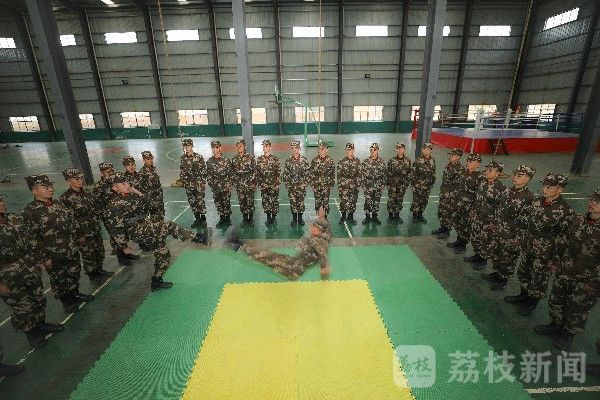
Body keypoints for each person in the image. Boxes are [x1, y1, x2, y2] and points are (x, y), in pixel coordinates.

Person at [104, 173, 210, 290]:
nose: (126, 184)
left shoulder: (133, 196)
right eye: (122, 183)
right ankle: (197, 238)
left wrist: (138, 193)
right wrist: (123, 246)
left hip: (147, 227)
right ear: (114, 188)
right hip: (136, 231)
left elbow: (153, 206)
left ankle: (156, 281)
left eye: (126, 182)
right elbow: (115, 229)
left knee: (163, 254)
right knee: (168, 225)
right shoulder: (113, 205)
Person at [533, 189, 599, 350]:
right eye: (592, 199)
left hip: (588, 278)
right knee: (557, 298)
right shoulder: (579, 219)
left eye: (597, 202)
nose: (592, 203)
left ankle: (568, 333)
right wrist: (556, 260)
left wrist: (595, 283)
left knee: (577, 306)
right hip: (565, 270)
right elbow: (564, 241)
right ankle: (555, 324)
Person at [505, 173, 576, 317]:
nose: (545, 189)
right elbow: (526, 221)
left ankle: (531, 303)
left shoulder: (566, 211)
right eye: (544, 185)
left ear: (560, 189)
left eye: (550, 187)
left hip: (546, 251)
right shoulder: (537, 201)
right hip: (530, 244)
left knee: (539, 277)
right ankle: (523, 295)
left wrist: (555, 259)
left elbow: (564, 238)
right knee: (524, 271)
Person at [22, 175, 93, 313]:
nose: (50, 189)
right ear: (34, 191)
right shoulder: (29, 212)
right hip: (53, 254)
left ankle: (75, 293)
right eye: (45, 187)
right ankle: (66, 300)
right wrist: (44, 258)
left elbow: (72, 220)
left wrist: (79, 235)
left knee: (74, 272)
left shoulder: (58, 203)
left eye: (50, 186)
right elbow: (32, 239)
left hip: (70, 248)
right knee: (59, 278)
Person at [1, 196, 64, 348]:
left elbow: (31, 240)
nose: (2, 204)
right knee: (21, 305)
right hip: (7, 275)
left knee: (38, 297)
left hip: (28, 266)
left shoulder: (14, 218)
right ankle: (32, 334)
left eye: (2, 200)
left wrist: (40, 259)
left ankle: (40, 324)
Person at [225, 209, 332, 280]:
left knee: (263, 255)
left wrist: (324, 268)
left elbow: (323, 255)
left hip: (292, 270)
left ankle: (237, 245)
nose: (311, 228)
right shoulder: (323, 236)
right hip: (292, 262)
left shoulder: (319, 242)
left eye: (314, 227)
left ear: (319, 231)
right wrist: (321, 218)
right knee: (265, 254)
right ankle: (238, 243)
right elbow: (326, 231)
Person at [482, 165, 535, 291]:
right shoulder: (508, 190)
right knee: (497, 253)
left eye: (519, 176)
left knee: (508, 258)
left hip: (512, 235)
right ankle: (497, 273)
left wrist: (518, 238)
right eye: (515, 174)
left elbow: (526, 221)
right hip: (500, 229)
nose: (515, 177)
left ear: (527, 179)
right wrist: (495, 222)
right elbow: (500, 208)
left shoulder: (528, 197)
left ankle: (503, 279)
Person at [60, 168, 112, 283]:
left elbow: (95, 208)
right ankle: (93, 274)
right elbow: (70, 219)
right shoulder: (65, 198)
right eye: (76, 179)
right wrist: (79, 235)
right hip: (83, 232)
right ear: (69, 180)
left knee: (99, 250)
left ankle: (99, 270)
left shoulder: (87, 192)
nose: (80, 181)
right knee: (88, 254)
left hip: (94, 228)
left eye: (80, 178)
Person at [464, 161, 506, 270]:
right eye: (487, 170)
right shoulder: (483, 183)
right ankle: (477, 255)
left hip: (489, 221)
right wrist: (473, 209)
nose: (487, 172)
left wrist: (495, 222)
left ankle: (483, 259)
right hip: (478, 217)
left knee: (486, 240)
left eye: (490, 170)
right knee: (475, 237)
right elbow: (477, 198)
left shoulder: (501, 188)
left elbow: (501, 208)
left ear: (497, 174)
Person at [446, 153, 484, 253]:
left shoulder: (480, 177)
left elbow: (479, 196)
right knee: (458, 223)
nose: (468, 163)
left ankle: (462, 244)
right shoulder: (464, 173)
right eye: (468, 161)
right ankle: (458, 241)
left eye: (471, 162)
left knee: (466, 226)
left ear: (478, 164)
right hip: (459, 203)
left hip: (469, 207)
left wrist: (473, 209)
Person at [432, 148, 464, 238]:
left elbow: (457, 185)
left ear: (458, 157)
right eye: (451, 155)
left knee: (448, 212)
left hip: (451, 197)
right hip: (444, 194)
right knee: (442, 211)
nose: (451, 156)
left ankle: (446, 231)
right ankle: (443, 228)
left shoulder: (460, 169)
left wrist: (451, 195)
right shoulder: (449, 165)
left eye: (453, 155)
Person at [179, 139, 207, 227]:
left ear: (192, 146)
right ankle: (197, 219)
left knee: (200, 201)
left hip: (198, 184)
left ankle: (203, 219)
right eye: (185, 146)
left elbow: (204, 170)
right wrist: (184, 182)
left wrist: (203, 182)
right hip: (188, 185)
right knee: (192, 202)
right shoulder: (183, 158)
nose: (187, 148)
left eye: (188, 146)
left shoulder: (198, 157)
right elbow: (182, 171)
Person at [283, 140, 310, 226]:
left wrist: (305, 184)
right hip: (292, 186)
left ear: (299, 148)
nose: (295, 150)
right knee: (293, 202)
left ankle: (300, 218)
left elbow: (307, 173)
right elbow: (286, 174)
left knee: (301, 202)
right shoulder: (288, 161)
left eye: (296, 148)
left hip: (301, 186)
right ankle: (294, 219)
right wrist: (288, 185)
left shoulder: (304, 160)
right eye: (293, 148)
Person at [232, 138, 257, 226]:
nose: (239, 147)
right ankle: (245, 218)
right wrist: (235, 183)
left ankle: (251, 219)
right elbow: (233, 172)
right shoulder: (234, 159)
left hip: (249, 185)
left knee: (250, 202)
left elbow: (255, 170)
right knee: (242, 202)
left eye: (241, 146)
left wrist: (253, 183)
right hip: (239, 186)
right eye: (238, 146)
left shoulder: (250, 157)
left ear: (244, 147)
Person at [360, 143, 386, 225]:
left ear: (377, 150)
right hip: (368, 185)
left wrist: (383, 184)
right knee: (368, 201)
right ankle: (367, 216)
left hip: (378, 185)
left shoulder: (381, 161)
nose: (372, 151)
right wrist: (363, 185)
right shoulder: (366, 161)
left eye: (374, 150)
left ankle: (374, 216)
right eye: (371, 150)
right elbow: (362, 174)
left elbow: (384, 174)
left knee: (376, 201)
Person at [256, 139, 281, 226]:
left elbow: (278, 173)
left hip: (273, 185)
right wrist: (259, 184)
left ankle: (274, 218)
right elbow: (258, 173)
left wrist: (277, 184)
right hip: (264, 185)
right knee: (265, 201)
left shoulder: (275, 159)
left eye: (266, 146)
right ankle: (268, 218)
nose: (264, 148)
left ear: (270, 147)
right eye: (263, 146)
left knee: (274, 201)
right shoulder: (259, 159)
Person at [410, 143, 436, 223]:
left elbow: (433, 172)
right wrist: (414, 185)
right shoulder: (418, 160)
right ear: (423, 150)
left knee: (424, 201)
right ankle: (415, 215)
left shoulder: (432, 160)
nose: (426, 151)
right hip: (418, 186)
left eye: (428, 149)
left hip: (427, 186)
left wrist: (431, 183)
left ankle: (420, 214)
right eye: (425, 149)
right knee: (416, 201)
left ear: (430, 151)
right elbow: (413, 174)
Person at [386, 142, 411, 223]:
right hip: (392, 185)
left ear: (404, 149)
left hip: (402, 185)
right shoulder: (391, 160)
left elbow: (409, 173)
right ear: (396, 150)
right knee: (391, 200)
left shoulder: (407, 161)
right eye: (398, 148)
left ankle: (397, 215)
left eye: (401, 148)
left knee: (399, 200)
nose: (399, 150)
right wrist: (389, 184)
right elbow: (388, 173)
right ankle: (390, 216)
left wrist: (406, 184)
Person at [337, 143, 361, 225]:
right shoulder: (341, 161)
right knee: (343, 202)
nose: (348, 151)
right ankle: (343, 217)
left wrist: (357, 185)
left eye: (350, 150)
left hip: (354, 186)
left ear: (353, 150)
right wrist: (340, 186)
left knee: (353, 201)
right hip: (344, 186)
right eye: (347, 150)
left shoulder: (357, 161)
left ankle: (350, 217)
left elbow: (359, 174)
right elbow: (339, 175)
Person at [310, 141, 335, 218]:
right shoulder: (314, 160)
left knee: (325, 203)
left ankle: (325, 218)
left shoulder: (330, 160)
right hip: (317, 186)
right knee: (317, 203)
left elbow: (332, 174)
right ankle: (319, 218)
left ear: (327, 150)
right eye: (319, 149)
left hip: (326, 187)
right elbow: (311, 173)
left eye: (322, 149)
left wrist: (331, 186)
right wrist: (313, 185)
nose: (320, 150)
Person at [140, 151, 165, 220]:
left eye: (151, 158)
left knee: (161, 217)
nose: (151, 160)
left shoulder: (153, 169)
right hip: (152, 200)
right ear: (144, 160)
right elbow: (142, 189)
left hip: (159, 198)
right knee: (154, 219)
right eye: (148, 159)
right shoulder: (142, 172)